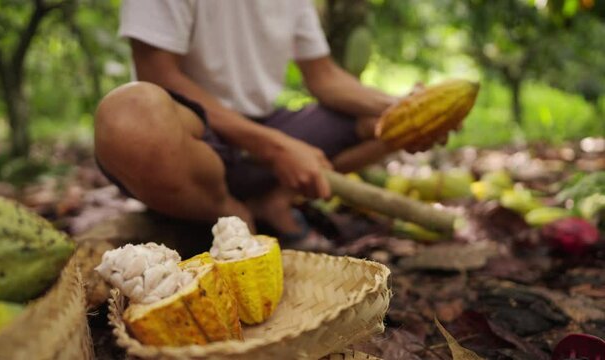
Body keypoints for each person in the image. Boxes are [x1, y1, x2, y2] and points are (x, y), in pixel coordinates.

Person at [94, 0, 447, 240]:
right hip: (191, 144)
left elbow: (324, 77)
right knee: (130, 115)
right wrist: (274, 147)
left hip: (264, 133)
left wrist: (404, 107)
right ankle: (229, 213)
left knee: (383, 123)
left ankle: (275, 200)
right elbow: (158, 75)